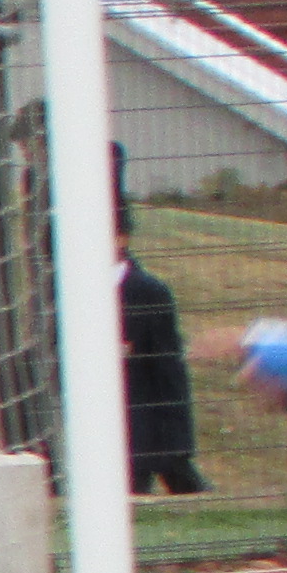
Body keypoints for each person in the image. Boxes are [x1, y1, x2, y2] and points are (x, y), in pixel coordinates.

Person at [116, 205, 209, 497]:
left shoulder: (148, 292)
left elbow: (168, 370)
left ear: (121, 238)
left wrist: (176, 441)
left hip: (138, 434)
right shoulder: (67, 289)